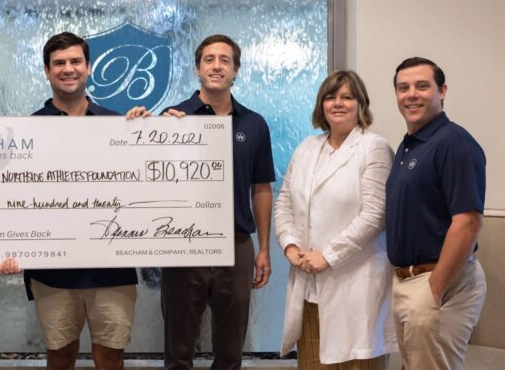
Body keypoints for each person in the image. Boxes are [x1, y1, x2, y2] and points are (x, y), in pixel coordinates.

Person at [0, 31, 140, 370]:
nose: (68, 69)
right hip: (53, 271)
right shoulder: (25, 131)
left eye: (75, 61)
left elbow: (143, 188)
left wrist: (160, 133)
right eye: (58, 63)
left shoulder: (120, 125)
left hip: (112, 267)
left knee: (111, 357)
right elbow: (9, 196)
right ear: (46, 71)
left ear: (89, 68)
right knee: (59, 357)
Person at [159, 34, 275, 370]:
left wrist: (263, 247)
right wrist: (157, 135)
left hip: (235, 245)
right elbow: (150, 182)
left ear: (236, 70)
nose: (216, 66)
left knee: (230, 353)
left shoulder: (254, 124)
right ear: (197, 68)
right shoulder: (172, 119)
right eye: (209, 59)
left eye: (225, 60)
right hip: (183, 244)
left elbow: (262, 188)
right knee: (178, 352)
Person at [274, 70, 397, 369]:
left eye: (347, 97)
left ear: (361, 105)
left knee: (356, 362)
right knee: (313, 363)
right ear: (321, 105)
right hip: (308, 284)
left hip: (356, 284)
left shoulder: (373, 148)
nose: (338, 103)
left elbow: (374, 215)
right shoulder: (306, 148)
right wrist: (289, 245)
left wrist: (328, 256)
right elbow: (284, 202)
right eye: (331, 97)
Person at [386, 57, 486, 370]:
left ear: (441, 91)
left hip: (437, 282)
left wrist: (435, 289)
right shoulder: (409, 146)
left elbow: (468, 223)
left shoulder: (454, 144)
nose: (411, 94)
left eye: (422, 86)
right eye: (403, 88)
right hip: (407, 281)